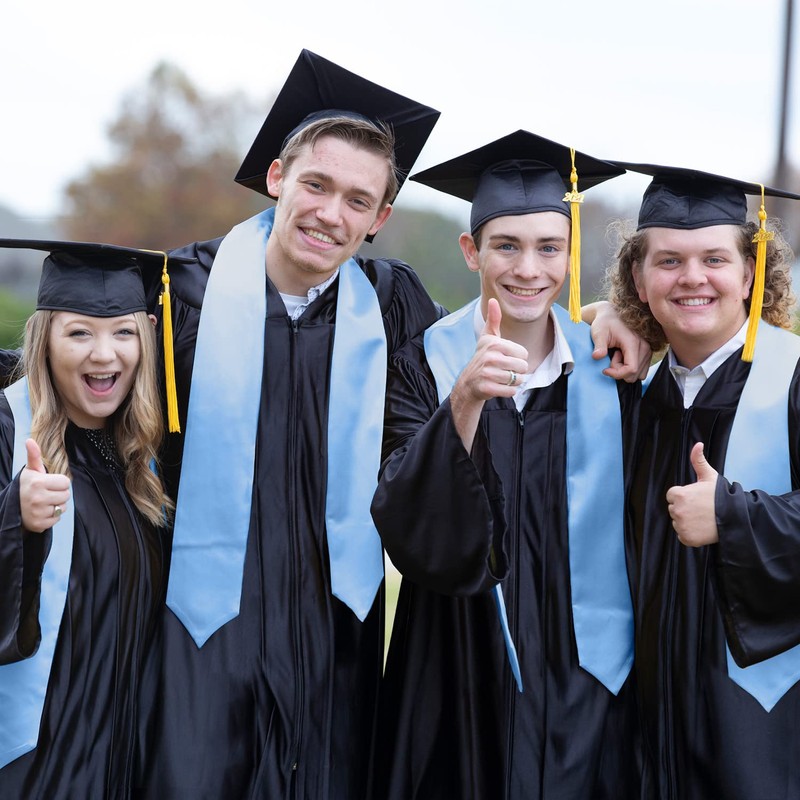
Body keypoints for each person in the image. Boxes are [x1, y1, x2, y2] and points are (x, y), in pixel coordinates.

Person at [137, 50, 442, 799]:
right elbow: (80, 377)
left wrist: (606, 321)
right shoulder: (185, 291)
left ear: (379, 219)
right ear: (277, 179)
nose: (330, 214)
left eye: (356, 200)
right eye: (316, 184)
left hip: (336, 626)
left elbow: (471, 388)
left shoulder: (394, 304)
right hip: (202, 622)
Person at [369, 130, 642, 800]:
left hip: (585, 682)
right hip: (453, 671)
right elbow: (403, 520)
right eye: (507, 246)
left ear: (570, 252)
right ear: (472, 251)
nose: (529, 268)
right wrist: (463, 398)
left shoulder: (614, 372)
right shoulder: (421, 363)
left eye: (549, 247)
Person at [603, 163, 800, 800]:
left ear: (750, 271)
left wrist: (734, 516)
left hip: (767, 729)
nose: (692, 278)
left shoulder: (793, 377)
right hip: (648, 729)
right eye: (669, 261)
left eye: (714, 258)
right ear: (638, 276)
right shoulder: (627, 397)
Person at [0, 240, 179, 799]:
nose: (105, 355)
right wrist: (16, 520)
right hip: (34, 761)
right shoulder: (7, 430)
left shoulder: (142, 458)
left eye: (123, 333)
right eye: (80, 333)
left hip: (121, 754)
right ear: (45, 340)